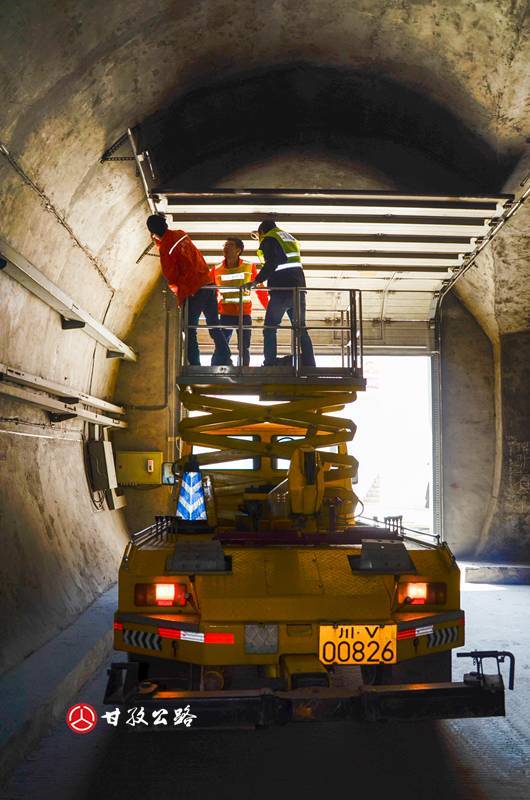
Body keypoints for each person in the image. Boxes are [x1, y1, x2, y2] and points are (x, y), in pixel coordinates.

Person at [146, 214, 232, 367]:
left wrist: (180, 295)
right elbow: (178, 249)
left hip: (194, 290)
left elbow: (170, 275)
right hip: (208, 284)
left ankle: (195, 364)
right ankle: (226, 355)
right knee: (214, 324)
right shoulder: (181, 234)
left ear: (153, 233)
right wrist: (160, 242)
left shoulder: (166, 247)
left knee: (189, 328)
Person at [243, 219, 316, 367]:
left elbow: (273, 261)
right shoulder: (288, 237)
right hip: (298, 288)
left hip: (282, 290)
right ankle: (310, 363)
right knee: (300, 328)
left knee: (270, 328)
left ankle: (270, 363)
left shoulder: (269, 239)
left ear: (262, 232)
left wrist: (256, 281)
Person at [211, 238, 268, 366]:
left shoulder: (249, 266)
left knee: (244, 347)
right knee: (221, 345)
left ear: (238, 250)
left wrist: (268, 307)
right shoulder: (216, 269)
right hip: (226, 314)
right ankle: (218, 367)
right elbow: (211, 292)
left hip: (244, 314)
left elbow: (260, 288)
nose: (226, 248)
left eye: (230, 245)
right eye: (225, 245)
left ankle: (244, 370)